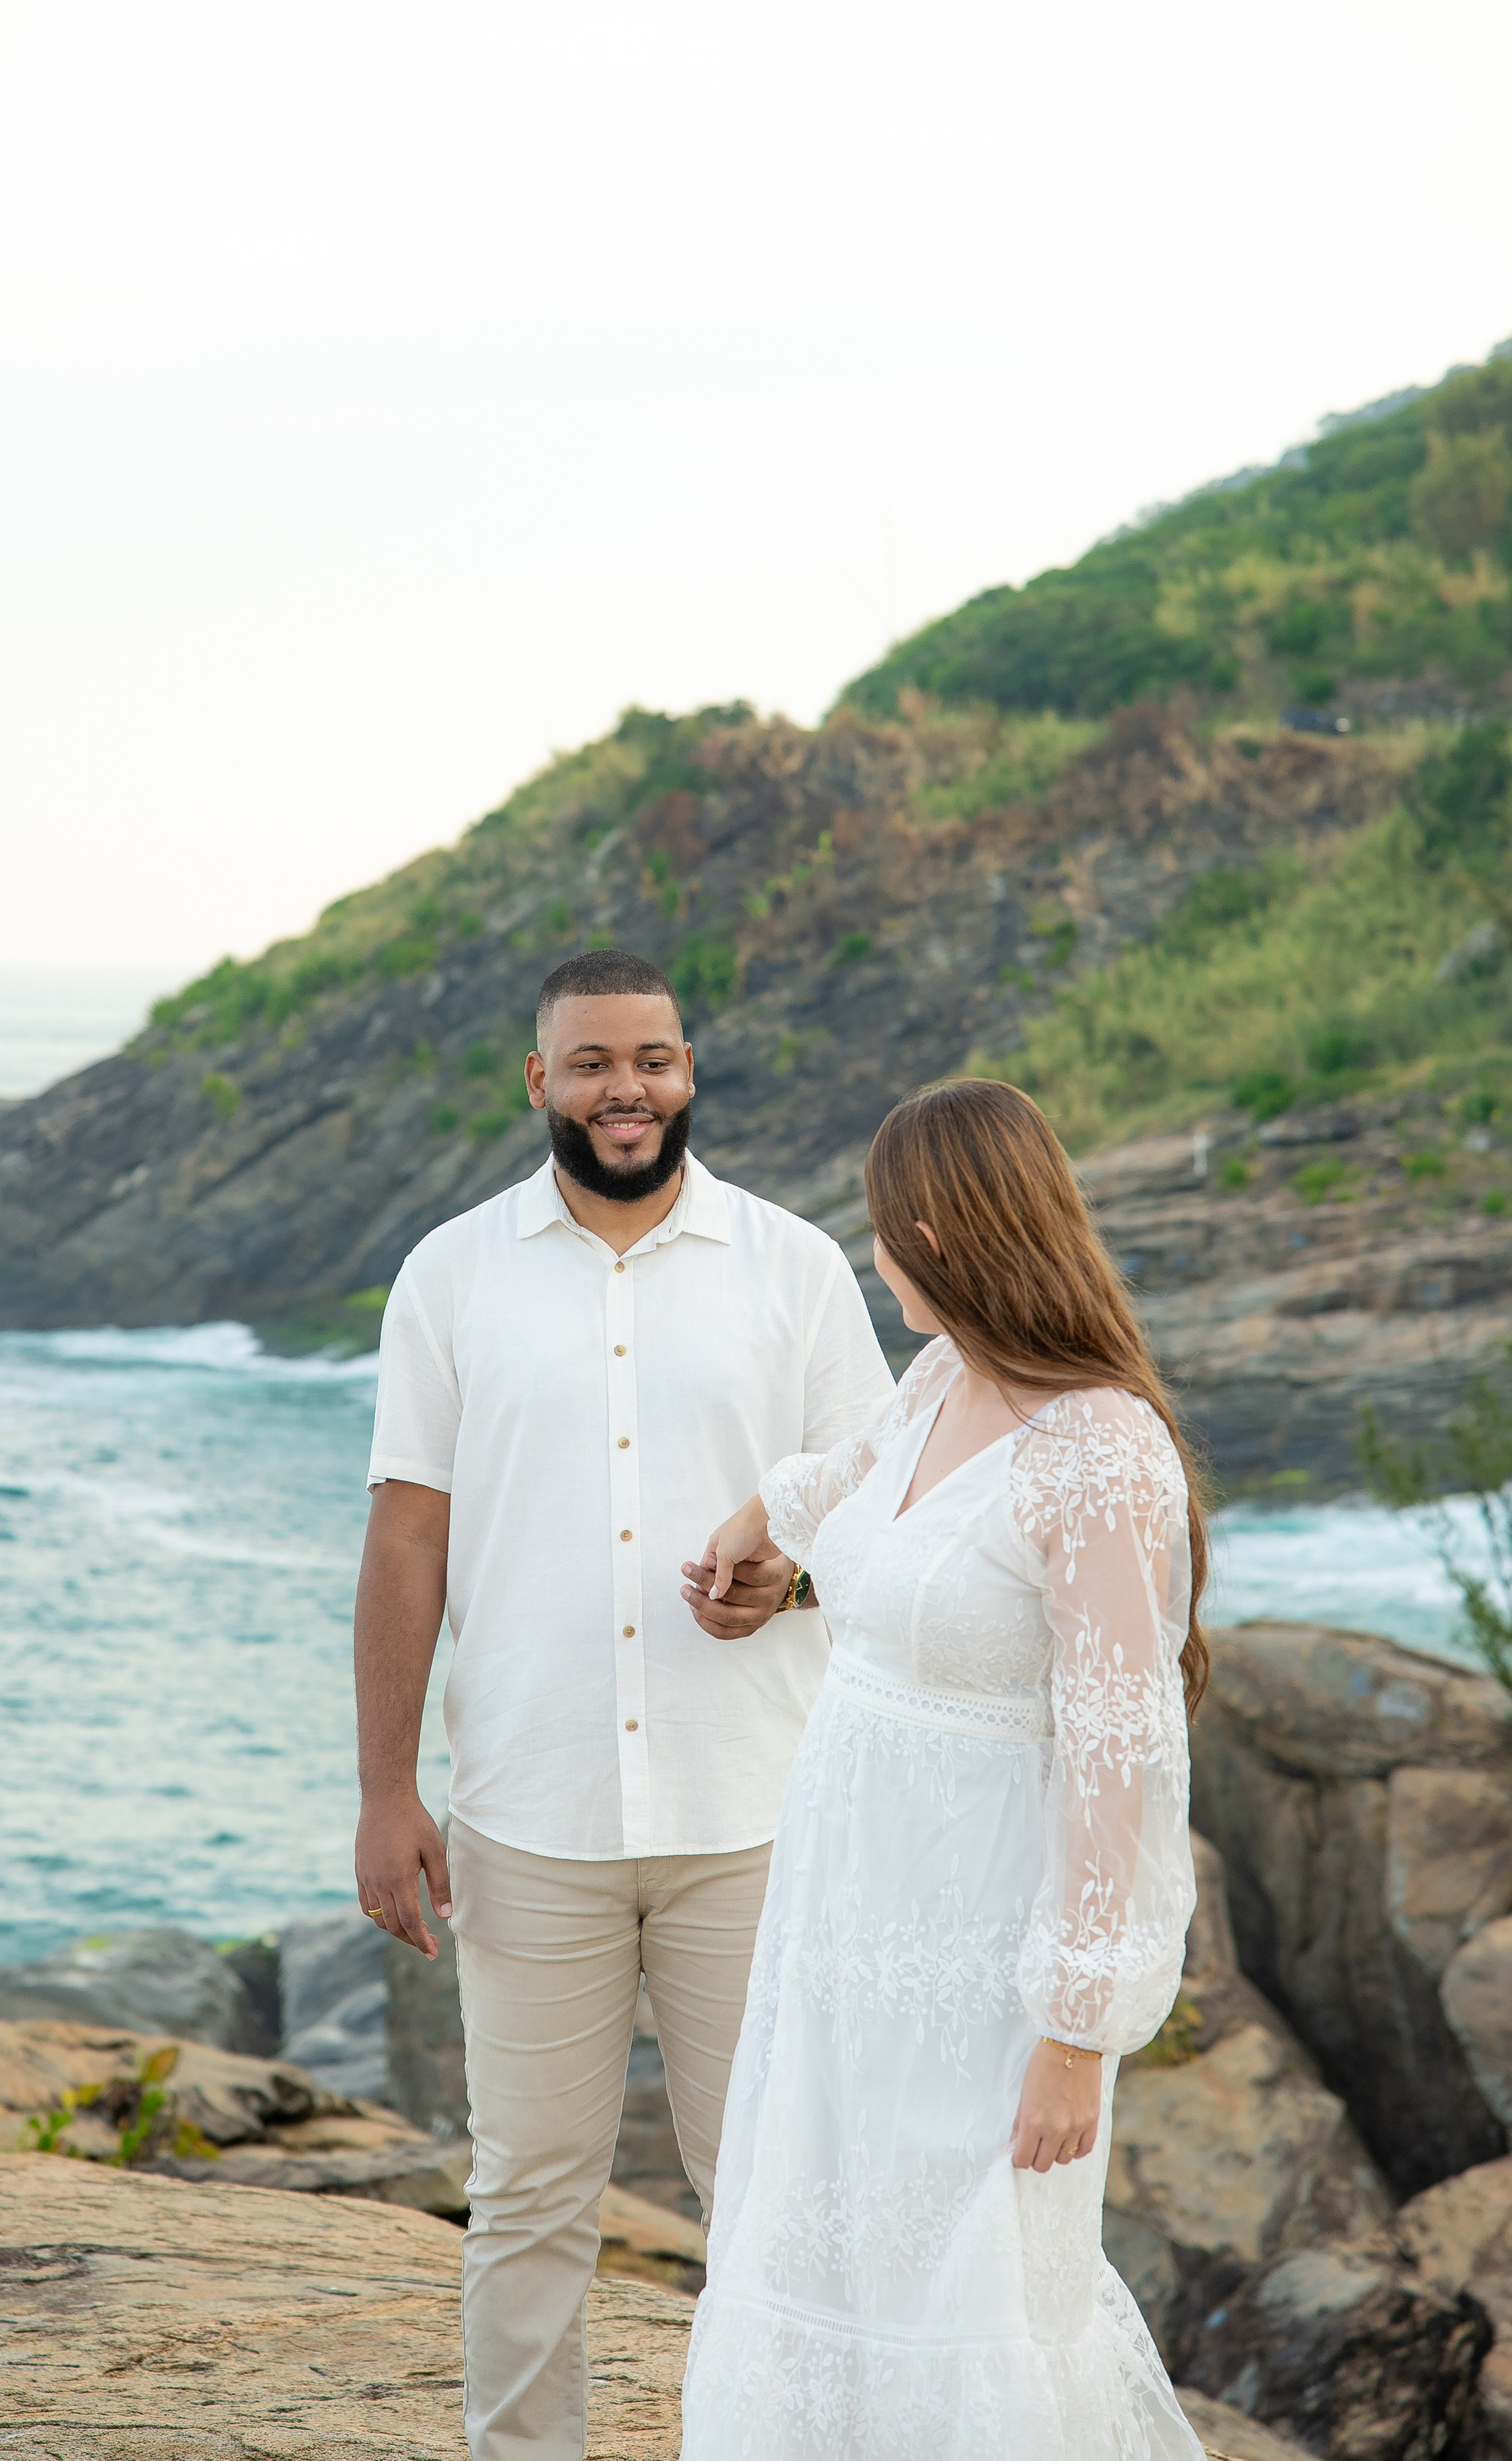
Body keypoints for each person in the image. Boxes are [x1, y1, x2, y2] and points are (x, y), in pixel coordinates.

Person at [353, 947, 893, 2461]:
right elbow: (405, 1538)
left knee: (769, 2196)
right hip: (531, 1816)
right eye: (590, 1062)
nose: (623, 1088)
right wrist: (384, 1792)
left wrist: (782, 1580)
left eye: (649, 1057)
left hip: (754, 1816)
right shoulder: (449, 1274)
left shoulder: (790, 1268)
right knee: (528, 2194)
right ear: (539, 1083)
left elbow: (874, 1508)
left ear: (688, 1069)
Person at [680, 1076, 1208, 2461]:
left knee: (976, 2292)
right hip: (845, 1924)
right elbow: (842, 1478)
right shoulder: (938, 1380)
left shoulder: (1101, 1450)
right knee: (827, 2247)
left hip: (980, 1954)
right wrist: (758, 1524)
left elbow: (1120, 1759)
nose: (877, 1256)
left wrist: (1076, 2034)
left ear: (942, 1228)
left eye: (885, 1231)